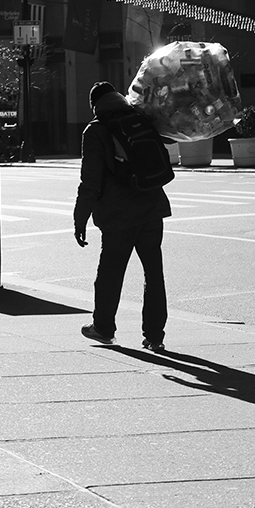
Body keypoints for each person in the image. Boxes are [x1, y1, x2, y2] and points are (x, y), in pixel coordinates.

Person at [73, 81, 172, 352]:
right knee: (153, 272)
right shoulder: (139, 118)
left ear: (95, 106)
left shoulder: (96, 131)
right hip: (152, 207)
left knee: (110, 272)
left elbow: (90, 182)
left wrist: (80, 218)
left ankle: (103, 327)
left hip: (118, 215)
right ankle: (154, 335)